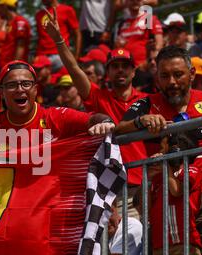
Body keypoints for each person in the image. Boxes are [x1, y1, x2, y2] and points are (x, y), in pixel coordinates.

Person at [116, 45, 202, 255]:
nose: (172, 82)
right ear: (157, 79)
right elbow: (119, 130)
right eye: (165, 76)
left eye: (178, 74)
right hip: (167, 200)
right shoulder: (147, 104)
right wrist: (141, 122)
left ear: (191, 74)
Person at [43, 8, 148, 219]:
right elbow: (73, 69)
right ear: (107, 73)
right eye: (115, 66)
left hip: (143, 183)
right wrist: (59, 41)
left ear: (133, 72)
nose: (120, 70)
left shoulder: (148, 99)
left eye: (125, 66)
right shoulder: (98, 97)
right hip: (110, 187)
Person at [147, 133, 202, 255]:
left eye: (163, 148)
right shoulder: (158, 177)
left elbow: (176, 191)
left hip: (183, 244)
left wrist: (166, 165)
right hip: (159, 246)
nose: (159, 152)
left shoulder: (190, 169)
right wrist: (147, 175)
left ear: (176, 150)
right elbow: (145, 208)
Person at [114, 0, 163, 67]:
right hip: (125, 68)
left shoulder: (148, 18)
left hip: (143, 68)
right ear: (126, 2)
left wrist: (148, 62)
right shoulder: (122, 23)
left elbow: (159, 44)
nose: (135, 1)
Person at [35, 0, 81, 72]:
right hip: (41, 57)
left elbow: (77, 34)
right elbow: (40, 37)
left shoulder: (67, 10)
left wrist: (76, 57)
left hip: (60, 55)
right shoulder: (38, 14)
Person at [0, 0, 31, 68]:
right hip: (5, 66)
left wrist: (15, 66)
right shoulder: (9, 23)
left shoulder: (19, 21)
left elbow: (21, 46)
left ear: (5, 7)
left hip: (13, 67)